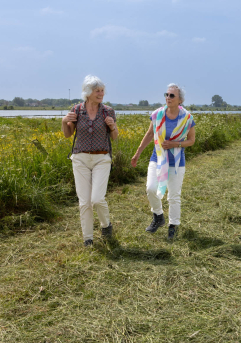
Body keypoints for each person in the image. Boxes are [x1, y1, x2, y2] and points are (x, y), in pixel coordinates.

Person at [131, 83, 196, 240]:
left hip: (177, 161)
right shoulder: (158, 115)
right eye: (166, 95)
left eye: (172, 95)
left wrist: (175, 144)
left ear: (180, 100)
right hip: (158, 158)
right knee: (150, 188)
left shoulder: (187, 118)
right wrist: (138, 152)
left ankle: (173, 225)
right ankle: (158, 216)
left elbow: (191, 140)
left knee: (173, 195)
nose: (168, 98)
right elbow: (149, 134)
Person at [61, 75, 119, 247]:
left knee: (97, 199)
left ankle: (106, 225)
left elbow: (114, 137)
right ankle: (88, 239)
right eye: (97, 91)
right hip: (80, 158)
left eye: (102, 90)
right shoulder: (77, 110)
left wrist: (113, 126)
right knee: (84, 201)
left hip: (102, 158)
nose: (101, 93)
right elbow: (67, 134)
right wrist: (64, 121)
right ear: (88, 92)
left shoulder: (108, 111)